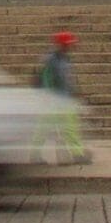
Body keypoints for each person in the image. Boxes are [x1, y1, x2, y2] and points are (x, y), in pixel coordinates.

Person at [35, 31, 88, 164]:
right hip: (52, 100)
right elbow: (45, 80)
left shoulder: (65, 58)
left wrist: (74, 92)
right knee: (43, 129)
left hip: (65, 99)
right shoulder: (51, 60)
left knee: (71, 127)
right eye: (67, 44)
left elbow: (67, 80)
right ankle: (35, 155)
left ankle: (78, 154)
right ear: (60, 45)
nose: (70, 47)